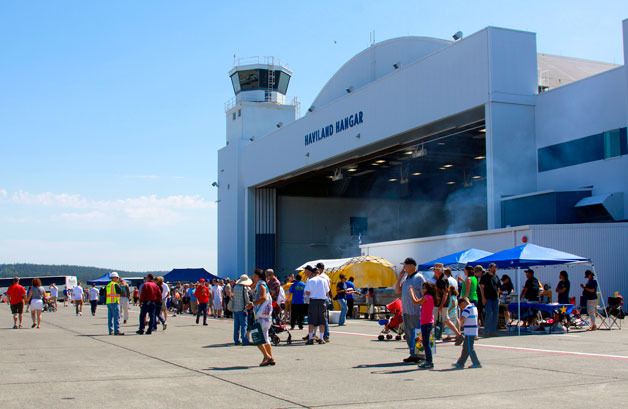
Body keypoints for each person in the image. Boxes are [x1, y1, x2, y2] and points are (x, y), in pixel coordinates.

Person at [394, 257, 426, 363]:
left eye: (405, 265)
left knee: (418, 333)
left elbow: (425, 295)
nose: (404, 267)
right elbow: (397, 291)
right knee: (409, 334)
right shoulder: (407, 278)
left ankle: (421, 356)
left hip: (417, 311)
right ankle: (413, 354)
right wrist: (399, 278)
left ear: (412, 266)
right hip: (407, 311)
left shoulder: (419, 278)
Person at [248, 269, 275, 366]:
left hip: (261, 316)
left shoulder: (261, 285)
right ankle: (269, 358)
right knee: (265, 338)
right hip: (266, 317)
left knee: (257, 338)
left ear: (257, 276)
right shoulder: (263, 284)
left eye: (254, 275)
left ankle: (268, 356)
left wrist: (253, 304)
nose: (252, 277)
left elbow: (263, 298)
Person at [409, 282, 436, 369]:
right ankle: (428, 361)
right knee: (425, 343)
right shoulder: (429, 297)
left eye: (424, 288)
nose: (422, 289)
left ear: (428, 289)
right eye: (422, 288)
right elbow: (418, 301)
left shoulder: (426, 297)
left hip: (426, 323)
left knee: (426, 343)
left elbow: (415, 302)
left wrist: (411, 292)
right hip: (427, 322)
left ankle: (429, 361)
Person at [432, 263, 462, 341]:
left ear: (440, 270)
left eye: (436, 269)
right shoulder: (440, 279)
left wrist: (441, 305)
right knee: (445, 320)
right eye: (434, 269)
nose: (434, 271)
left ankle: (429, 339)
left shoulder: (442, 280)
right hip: (441, 303)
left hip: (441, 304)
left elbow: (445, 293)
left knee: (435, 320)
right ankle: (458, 334)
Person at [452, 297, 482, 369]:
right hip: (472, 330)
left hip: (469, 331)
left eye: (461, 306)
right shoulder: (474, 307)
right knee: (466, 348)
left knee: (469, 348)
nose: (462, 308)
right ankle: (460, 363)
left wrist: (459, 327)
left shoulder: (467, 309)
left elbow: (461, 320)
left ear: (464, 302)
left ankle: (476, 363)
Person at [304, 265, 330, 345]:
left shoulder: (310, 280)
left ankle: (311, 338)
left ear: (313, 273)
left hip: (313, 302)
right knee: (322, 321)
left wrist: (307, 298)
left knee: (311, 321)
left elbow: (307, 292)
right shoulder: (324, 280)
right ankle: (322, 338)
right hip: (322, 302)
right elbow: (327, 292)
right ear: (318, 273)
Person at [479, 263, 501, 337]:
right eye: (494, 268)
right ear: (490, 268)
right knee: (489, 314)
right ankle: (486, 331)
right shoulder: (485, 276)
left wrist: (498, 297)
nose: (495, 269)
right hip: (488, 298)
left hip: (495, 298)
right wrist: (483, 298)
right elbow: (481, 287)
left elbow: (498, 288)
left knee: (495, 314)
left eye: (496, 268)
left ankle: (493, 331)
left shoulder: (496, 276)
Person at [232, 274, 252, 345]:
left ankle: (236, 340)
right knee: (244, 325)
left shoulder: (235, 287)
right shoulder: (244, 288)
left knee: (236, 326)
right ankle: (244, 340)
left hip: (235, 309)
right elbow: (247, 299)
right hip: (242, 309)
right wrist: (250, 303)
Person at [316, 262, 332, 342]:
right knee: (322, 317)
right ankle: (324, 335)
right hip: (325, 298)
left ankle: (325, 335)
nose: (316, 270)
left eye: (317, 268)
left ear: (321, 269)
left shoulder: (321, 277)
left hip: (322, 299)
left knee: (322, 318)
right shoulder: (326, 276)